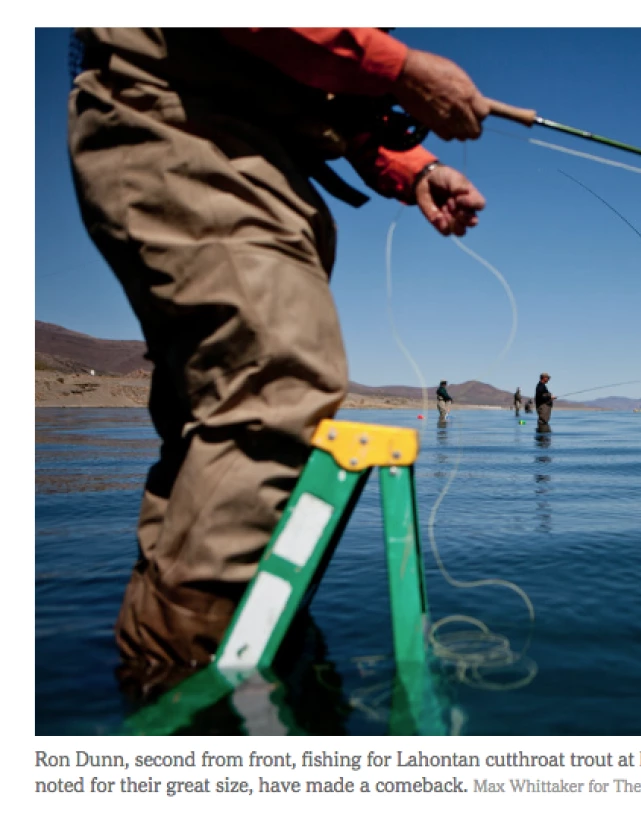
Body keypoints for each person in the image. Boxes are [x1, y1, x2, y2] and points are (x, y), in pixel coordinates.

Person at [67, 27, 491, 680]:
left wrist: (417, 169)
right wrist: (403, 68)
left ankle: (171, 659)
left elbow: (328, 97)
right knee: (277, 383)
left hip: (256, 155)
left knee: (208, 424)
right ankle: (184, 686)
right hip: (181, 119)